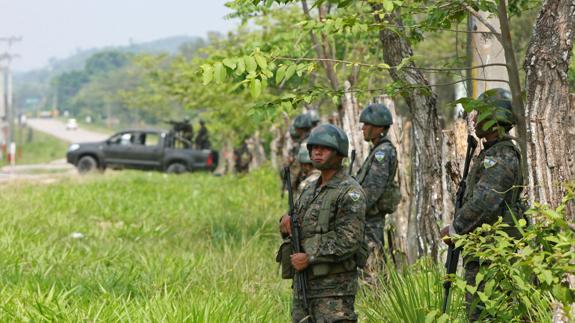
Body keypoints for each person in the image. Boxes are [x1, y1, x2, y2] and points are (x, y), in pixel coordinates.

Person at [440, 88, 524, 321]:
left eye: (480, 114)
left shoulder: (502, 155)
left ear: (495, 118)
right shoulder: (491, 152)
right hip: (483, 250)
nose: (474, 119)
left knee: (485, 314)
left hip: (494, 253)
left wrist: (456, 228)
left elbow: (486, 202)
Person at [279, 124, 367, 323]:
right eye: (314, 147)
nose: (317, 152)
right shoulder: (310, 189)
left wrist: (310, 257)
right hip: (304, 286)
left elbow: (349, 240)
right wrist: (285, 224)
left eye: (324, 148)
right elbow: (298, 225)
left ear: (338, 154)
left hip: (333, 291)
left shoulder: (350, 192)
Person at [355, 104, 400, 274]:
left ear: (379, 128)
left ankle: (375, 298)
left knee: (372, 265)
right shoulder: (377, 150)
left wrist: (353, 210)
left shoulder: (383, 153)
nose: (363, 128)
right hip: (368, 219)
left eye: (367, 124)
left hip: (371, 219)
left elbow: (372, 190)